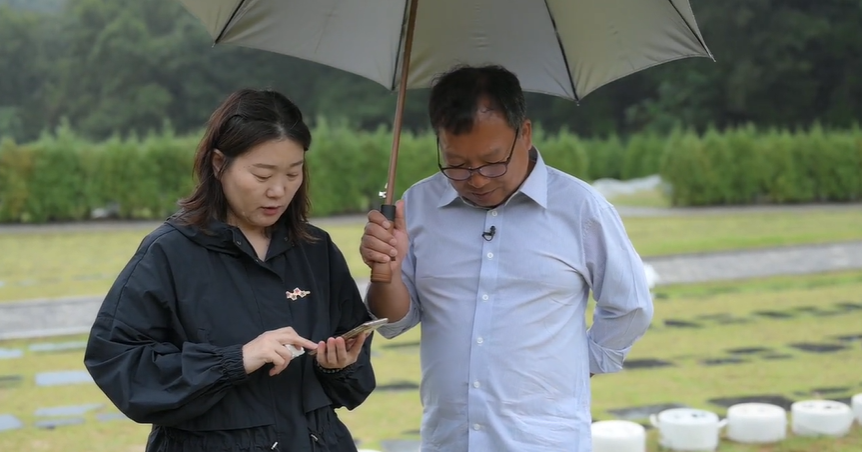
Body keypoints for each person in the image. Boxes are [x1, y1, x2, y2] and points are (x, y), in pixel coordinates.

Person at [360, 65, 654, 451]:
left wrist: (578, 369)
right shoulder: (416, 207)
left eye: (492, 160)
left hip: (545, 441)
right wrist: (385, 275)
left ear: (525, 134)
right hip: (450, 439)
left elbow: (629, 306)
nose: (477, 179)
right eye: (457, 164)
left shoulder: (580, 209)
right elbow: (394, 322)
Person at [84, 88, 375, 452]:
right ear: (219, 163)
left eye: (293, 173)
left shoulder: (315, 250)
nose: (279, 191)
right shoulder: (170, 253)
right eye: (262, 174)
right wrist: (233, 360)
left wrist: (339, 366)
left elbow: (354, 373)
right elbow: (116, 359)